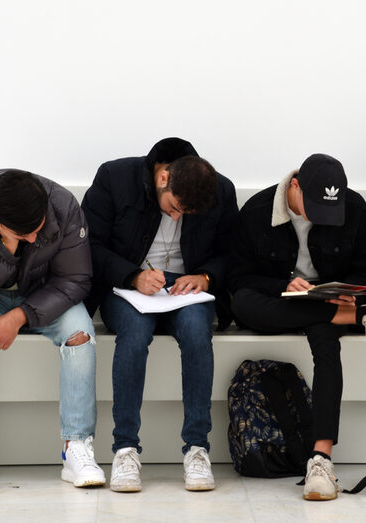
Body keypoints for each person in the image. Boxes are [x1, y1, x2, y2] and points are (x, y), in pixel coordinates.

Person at [228, 153, 366, 501]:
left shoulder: (351, 207)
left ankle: (321, 459)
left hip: (327, 303)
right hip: (279, 302)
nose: (322, 219)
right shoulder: (257, 211)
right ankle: (363, 318)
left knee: (327, 344)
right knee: (243, 305)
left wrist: (342, 294)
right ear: (294, 187)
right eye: (314, 208)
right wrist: (284, 282)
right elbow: (238, 278)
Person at [0, 169, 105, 495]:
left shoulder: (62, 206)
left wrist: (19, 316)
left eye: (35, 231)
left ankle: (76, 447)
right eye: (19, 233)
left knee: (80, 334)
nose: (30, 239)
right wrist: (6, 247)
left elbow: (76, 280)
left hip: (42, 294)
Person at [81, 137, 238, 492]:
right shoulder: (114, 177)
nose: (177, 216)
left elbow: (233, 250)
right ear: (163, 177)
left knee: (199, 334)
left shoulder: (219, 190)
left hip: (188, 288)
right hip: (126, 285)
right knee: (134, 335)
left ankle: (197, 448)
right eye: (175, 207)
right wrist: (132, 276)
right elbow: (90, 244)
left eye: (186, 214)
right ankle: (125, 449)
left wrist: (206, 276)